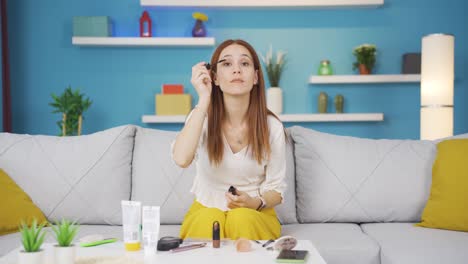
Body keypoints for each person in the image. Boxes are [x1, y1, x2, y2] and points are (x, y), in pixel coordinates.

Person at [172, 39, 287, 240]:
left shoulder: (272, 127)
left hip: (256, 213)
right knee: (210, 219)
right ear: (214, 78)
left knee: (240, 218)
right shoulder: (201, 118)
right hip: (205, 210)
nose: (236, 70)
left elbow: (276, 190)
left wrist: (255, 202)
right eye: (226, 64)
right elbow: (181, 159)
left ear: (256, 77)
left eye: (244, 63)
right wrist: (204, 99)